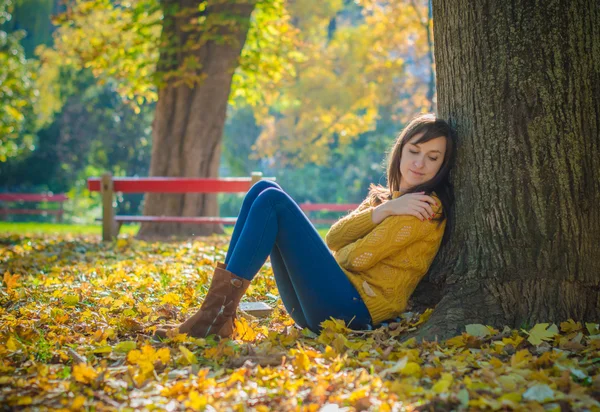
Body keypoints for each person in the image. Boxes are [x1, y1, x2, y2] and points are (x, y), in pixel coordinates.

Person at [153, 113, 457, 340]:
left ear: (442, 166)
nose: (419, 163)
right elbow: (334, 237)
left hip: (353, 311)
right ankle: (217, 314)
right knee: (260, 190)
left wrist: (385, 218)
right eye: (414, 151)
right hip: (322, 304)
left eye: (432, 157)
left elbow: (352, 258)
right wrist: (386, 209)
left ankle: (214, 317)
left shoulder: (424, 210)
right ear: (401, 151)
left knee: (272, 199)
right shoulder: (387, 200)